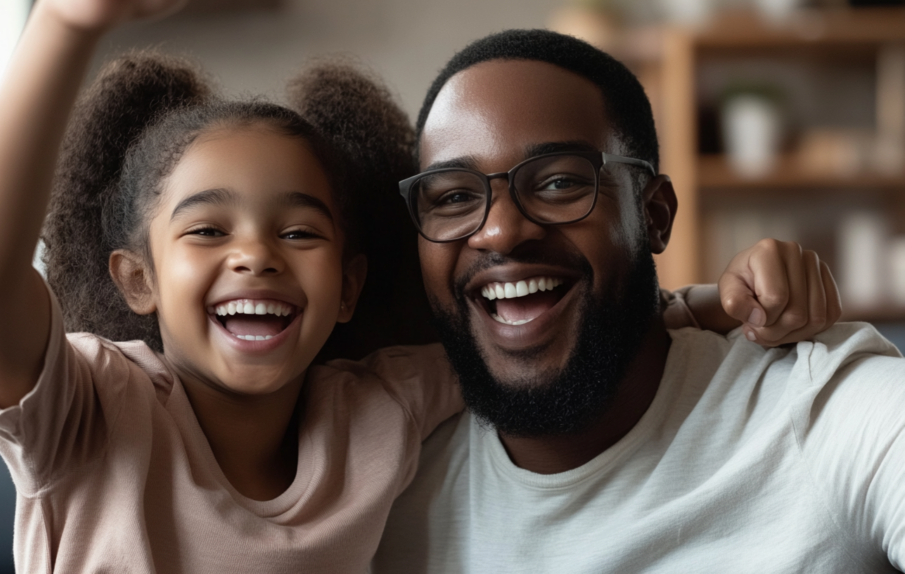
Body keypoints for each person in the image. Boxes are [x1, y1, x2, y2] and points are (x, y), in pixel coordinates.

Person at [0, 2, 842, 571]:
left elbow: (540, 322)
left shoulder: (380, 407)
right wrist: (65, 24)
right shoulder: (89, 411)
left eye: (299, 231)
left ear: (350, 283)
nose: (255, 256)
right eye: (207, 230)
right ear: (135, 279)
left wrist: (722, 303)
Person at [372, 29, 905, 573]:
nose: (501, 232)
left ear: (654, 215)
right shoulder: (378, 495)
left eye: (558, 182)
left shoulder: (819, 411)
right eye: (455, 197)